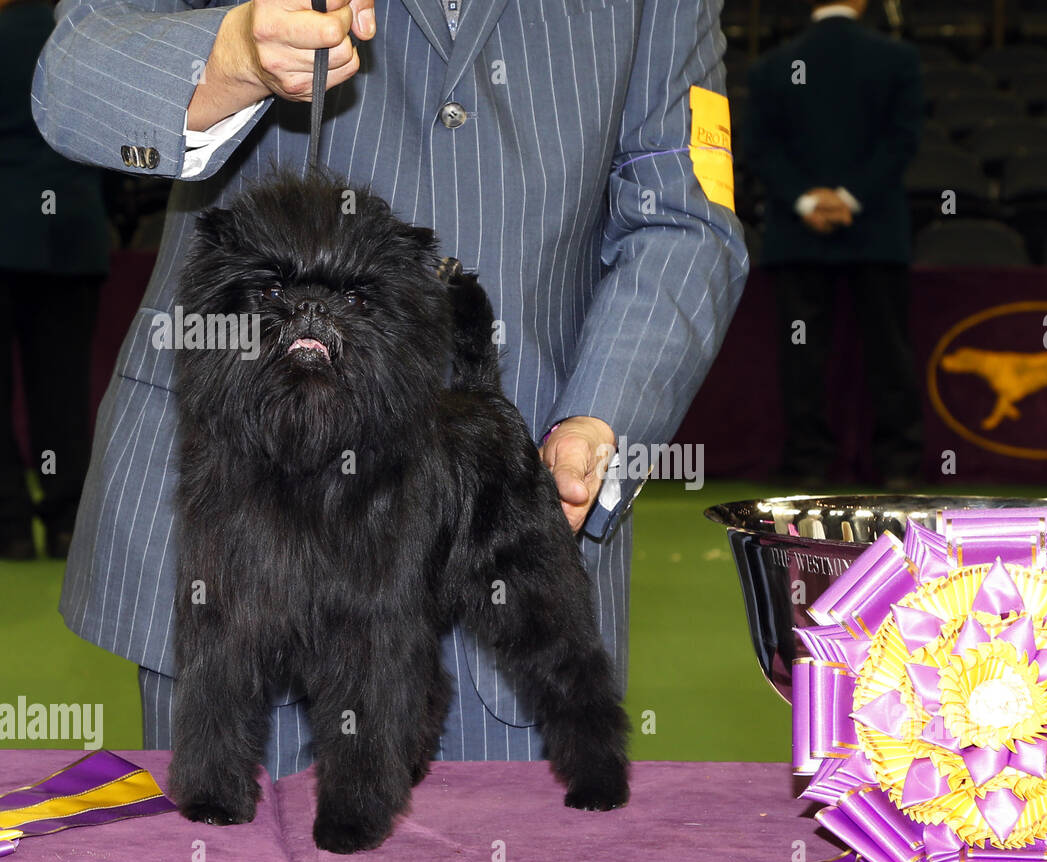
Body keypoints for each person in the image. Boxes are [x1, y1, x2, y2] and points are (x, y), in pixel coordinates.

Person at [33, 0, 747, 778]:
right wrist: (226, 55)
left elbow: (685, 219)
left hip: (496, 537)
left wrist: (601, 417)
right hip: (237, 536)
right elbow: (73, 80)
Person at [744, 0, 923, 487]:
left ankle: (807, 465)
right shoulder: (898, 59)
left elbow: (758, 147)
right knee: (888, 351)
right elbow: (903, 140)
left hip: (797, 235)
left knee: (802, 354)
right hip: (876, 232)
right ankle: (899, 467)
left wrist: (806, 201)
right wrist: (850, 197)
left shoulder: (771, 66)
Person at [1, 0, 108, 560]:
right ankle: (66, 521)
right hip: (71, 230)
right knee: (63, 388)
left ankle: (9, 525)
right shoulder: (77, 32)